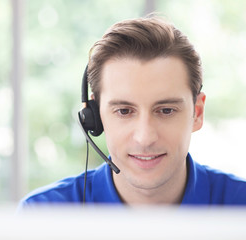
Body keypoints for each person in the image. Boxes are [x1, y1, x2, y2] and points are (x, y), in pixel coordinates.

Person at [19, 16, 246, 208]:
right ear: (95, 117)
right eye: (124, 111)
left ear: (196, 113)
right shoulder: (42, 216)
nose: (145, 137)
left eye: (166, 110)